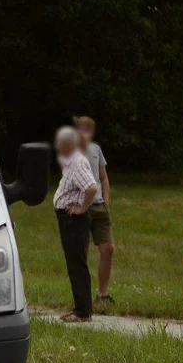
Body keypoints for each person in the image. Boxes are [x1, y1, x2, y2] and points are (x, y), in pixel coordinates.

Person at [53, 126, 99, 323]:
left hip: (74, 219)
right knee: (73, 263)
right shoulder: (70, 163)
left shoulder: (78, 163)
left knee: (77, 264)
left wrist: (82, 208)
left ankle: (82, 311)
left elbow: (91, 187)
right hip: (67, 218)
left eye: (60, 143)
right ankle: (80, 307)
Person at [74, 116, 114, 303]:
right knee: (81, 252)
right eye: (81, 129)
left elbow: (103, 178)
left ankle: (103, 294)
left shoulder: (96, 149)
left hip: (99, 206)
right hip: (82, 207)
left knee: (108, 248)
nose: (85, 133)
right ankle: (83, 297)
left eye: (88, 129)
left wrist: (106, 200)